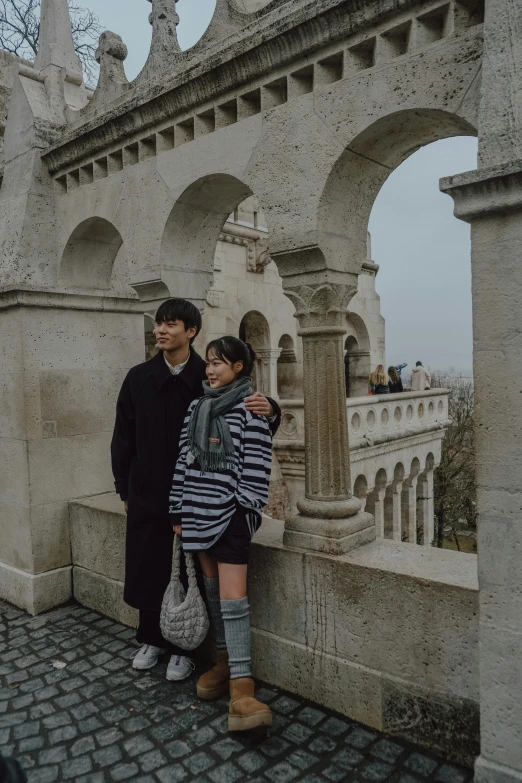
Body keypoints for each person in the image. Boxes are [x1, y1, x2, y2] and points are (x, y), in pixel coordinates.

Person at [111, 299, 280, 682]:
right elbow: (122, 437)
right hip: (151, 491)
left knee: (189, 575)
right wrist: (124, 488)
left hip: (200, 500)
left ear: (190, 331)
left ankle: (182, 648)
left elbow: (249, 418)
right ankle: (151, 637)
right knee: (149, 567)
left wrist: (272, 409)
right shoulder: (138, 377)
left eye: (170, 324)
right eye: (158, 324)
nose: (160, 330)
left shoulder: (205, 383)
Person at [170, 336, 273, 732]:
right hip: (195, 512)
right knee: (213, 593)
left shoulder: (253, 410)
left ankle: (242, 689)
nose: (211, 369)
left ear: (239, 368)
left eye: (220, 363)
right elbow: (184, 457)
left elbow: (257, 465)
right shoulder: (197, 407)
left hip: (229, 517)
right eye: (209, 362)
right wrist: (177, 507)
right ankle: (222, 663)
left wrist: (242, 510)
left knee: (234, 599)